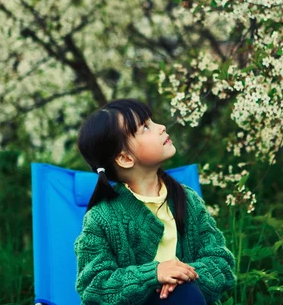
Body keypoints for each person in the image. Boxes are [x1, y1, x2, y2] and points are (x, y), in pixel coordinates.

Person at [74, 98, 236, 305]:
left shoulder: (186, 200)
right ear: (125, 158)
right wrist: (154, 274)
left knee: (186, 294)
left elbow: (221, 262)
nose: (161, 127)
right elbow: (93, 286)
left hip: (188, 299)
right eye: (145, 127)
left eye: (153, 121)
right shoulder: (101, 219)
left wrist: (181, 277)